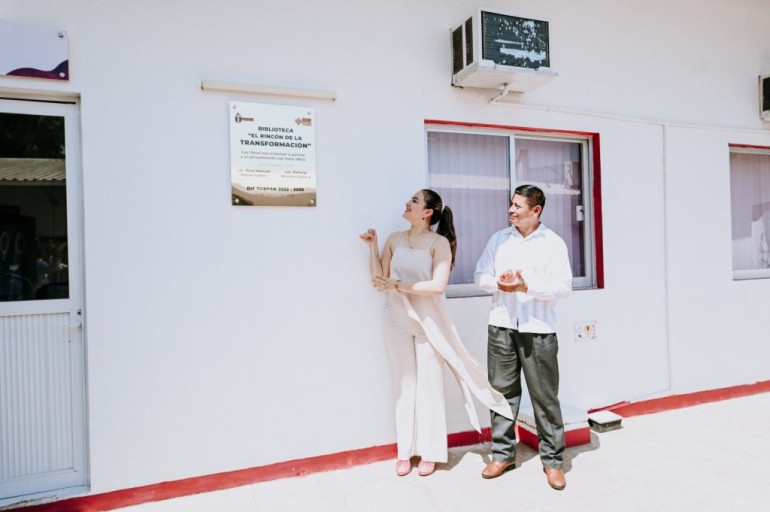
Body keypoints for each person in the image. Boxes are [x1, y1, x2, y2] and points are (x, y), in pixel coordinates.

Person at [360, 189, 513, 478]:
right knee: (404, 385)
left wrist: (398, 285)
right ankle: (405, 452)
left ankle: (430, 452)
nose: (408, 202)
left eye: (414, 201)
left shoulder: (438, 243)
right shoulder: (394, 239)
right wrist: (373, 247)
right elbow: (379, 280)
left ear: (427, 212)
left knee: (429, 386)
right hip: (396, 317)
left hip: (429, 321)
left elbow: (437, 286)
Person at [474, 184, 572, 490]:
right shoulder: (499, 240)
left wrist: (526, 287)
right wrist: (499, 283)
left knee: (545, 397)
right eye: (511, 204)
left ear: (536, 210)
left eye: (518, 206)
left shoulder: (553, 243)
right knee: (501, 394)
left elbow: (563, 287)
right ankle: (503, 455)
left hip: (538, 329)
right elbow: (480, 275)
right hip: (501, 325)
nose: (511, 210)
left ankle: (553, 461)